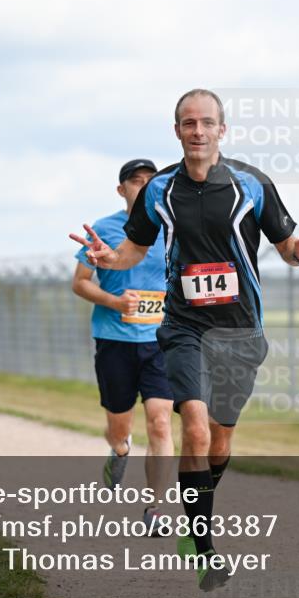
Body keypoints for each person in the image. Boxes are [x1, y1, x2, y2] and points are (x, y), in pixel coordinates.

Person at [70, 89, 299, 590]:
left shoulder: (251, 184)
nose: (197, 131)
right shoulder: (159, 190)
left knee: (220, 441)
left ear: (221, 129)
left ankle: (197, 511)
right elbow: (133, 249)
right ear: (177, 131)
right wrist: (109, 259)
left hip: (240, 329)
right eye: (188, 123)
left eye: (206, 122)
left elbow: (286, 247)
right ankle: (203, 547)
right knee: (193, 428)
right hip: (183, 326)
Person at [72, 158, 175, 536]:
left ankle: (156, 508)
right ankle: (119, 450)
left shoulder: (172, 229)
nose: (143, 185)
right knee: (119, 427)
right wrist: (115, 302)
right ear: (122, 190)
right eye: (135, 180)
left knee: (161, 421)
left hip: (160, 341)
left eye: (151, 180)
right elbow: (81, 282)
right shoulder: (104, 229)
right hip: (115, 340)